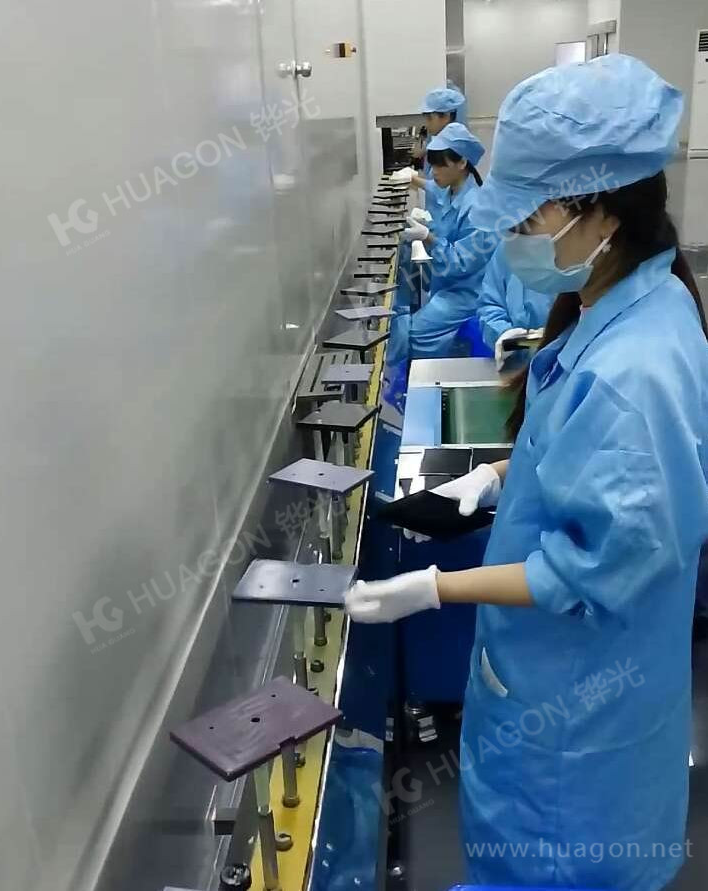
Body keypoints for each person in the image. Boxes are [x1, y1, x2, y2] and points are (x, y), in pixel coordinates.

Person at [346, 54, 708, 891]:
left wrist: (434, 587)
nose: (514, 231)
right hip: (561, 693)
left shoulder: (632, 373)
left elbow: (591, 569)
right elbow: (592, 460)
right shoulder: (625, 302)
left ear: (598, 210)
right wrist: (503, 476)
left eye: (529, 212)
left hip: (576, 738)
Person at [388, 122, 496, 362]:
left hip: (468, 292)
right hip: (446, 283)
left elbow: (460, 263)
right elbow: (432, 187)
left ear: (462, 162)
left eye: (439, 165)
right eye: (431, 164)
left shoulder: (477, 208)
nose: (433, 171)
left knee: (415, 334)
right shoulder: (450, 190)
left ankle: (421, 375)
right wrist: (413, 179)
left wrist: (427, 237)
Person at [391, 87, 467, 221]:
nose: (426, 124)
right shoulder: (441, 140)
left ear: (446, 116)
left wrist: (414, 179)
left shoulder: (453, 146)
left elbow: (443, 190)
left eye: (430, 119)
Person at [477, 242, 556, 369]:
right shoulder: (509, 246)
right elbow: (490, 303)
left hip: (561, 362)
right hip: (514, 363)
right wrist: (503, 333)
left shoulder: (571, 249)